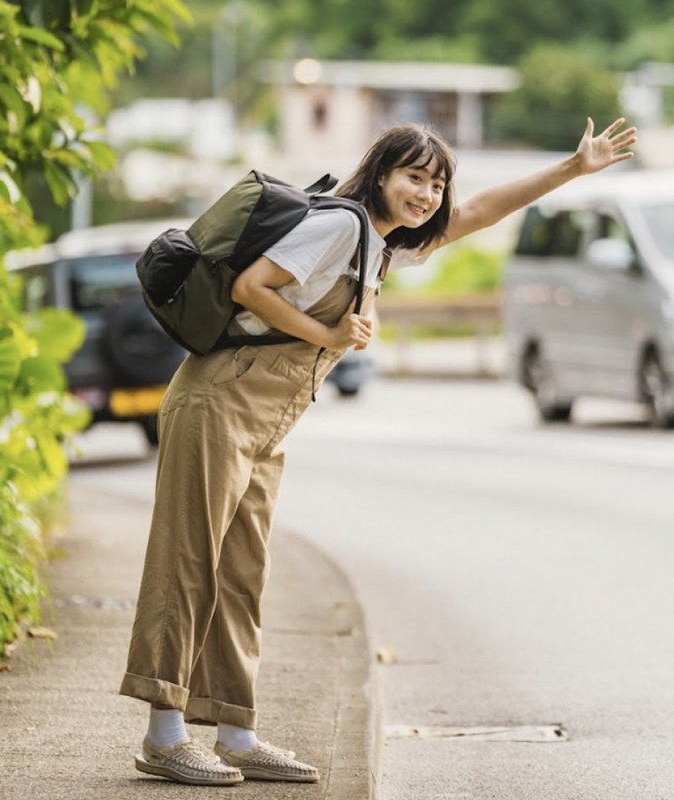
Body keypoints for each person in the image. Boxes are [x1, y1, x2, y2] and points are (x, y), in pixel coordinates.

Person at [120, 117, 637, 786]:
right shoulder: (343, 225)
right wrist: (330, 328)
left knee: (242, 572)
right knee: (189, 559)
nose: (427, 193)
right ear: (382, 174)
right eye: (414, 177)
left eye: (437, 183)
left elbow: (477, 212)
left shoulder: (381, 245)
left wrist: (571, 169)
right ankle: (164, 733)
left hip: (267, 418)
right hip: (220, 398)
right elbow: (253, 286)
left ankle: (236, 731)